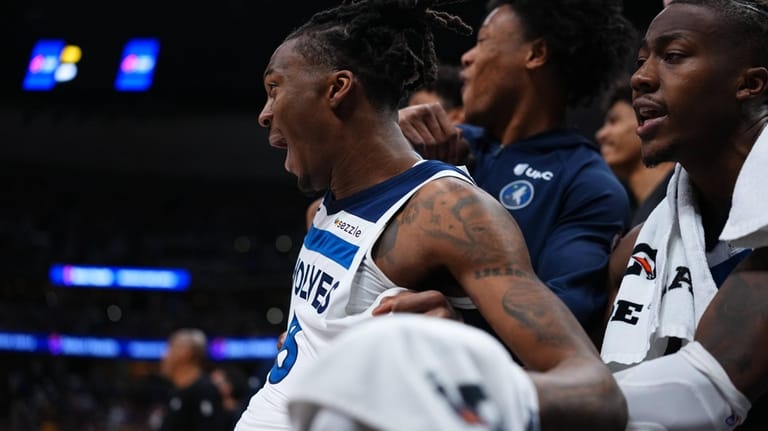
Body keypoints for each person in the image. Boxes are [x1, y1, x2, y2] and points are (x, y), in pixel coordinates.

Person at [363, 0, 768, 429]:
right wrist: (382, 159)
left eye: (673, 56)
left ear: (751, 83)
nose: (640, 78)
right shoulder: (635, 252)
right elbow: (593, 375)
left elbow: (700, 389)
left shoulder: (585, 183)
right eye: (642, 60)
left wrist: (473, 385)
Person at [236, 1, 625, 430]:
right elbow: (346, 219)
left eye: (275, 88)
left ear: (338, 89)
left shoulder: (454, 208)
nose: (264, 113)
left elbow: (593, 388)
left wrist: (453, 361)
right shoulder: (371, 169)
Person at [397, 0, 636, 333]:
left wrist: (462, 325)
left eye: (482, 41)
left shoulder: (588, 184)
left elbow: (563, 318)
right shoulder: (442, 144)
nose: (467, 57)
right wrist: (387, 138)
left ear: (535, 53)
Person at [595, 79, 674, 227]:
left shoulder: (692, 191)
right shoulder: (632, 219)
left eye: (613, 120)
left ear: (648, 118)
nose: (601, 134)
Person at [156, 328, 227, 431]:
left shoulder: (205, 390)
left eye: (170, 348)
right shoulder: (175, 391)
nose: (164, 356)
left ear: (186, 353)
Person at [211, 365, 249, 430]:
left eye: (218, 384)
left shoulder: (239, 414)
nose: (211, 387)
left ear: (230, 386)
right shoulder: (209, 409)